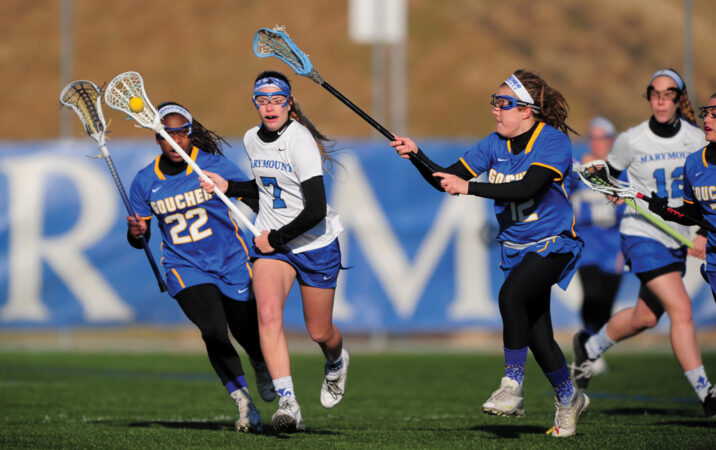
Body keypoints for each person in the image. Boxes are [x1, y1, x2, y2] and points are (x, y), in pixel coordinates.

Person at [390, 70, 588, 437]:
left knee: (511, 295)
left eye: (504, 104)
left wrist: (470, 188)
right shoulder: (493, 144)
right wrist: (417, 156)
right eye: (494, 103)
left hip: (554, 241)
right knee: (538, 337)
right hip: (516, 248)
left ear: (527, 111)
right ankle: (568, 398)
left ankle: (512, 386)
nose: (496, 111)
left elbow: (527, 188)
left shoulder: (553, 142)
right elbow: (446, 179)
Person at [201, 71, 349, 433]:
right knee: (268, 317)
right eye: (261, 99)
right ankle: (289, 403)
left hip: (313, 245)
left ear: (289, 101)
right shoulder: (252, 139)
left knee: (320, 332)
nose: (269, 106)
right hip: (274, 247)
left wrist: (277, 238)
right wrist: (229, 186)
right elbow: (265, 190)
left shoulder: (300, 142)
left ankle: (336, 362)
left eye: (276, 98)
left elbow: (315, 209)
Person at [571, 69, 716, 417]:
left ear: (680, 99)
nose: (661, 100)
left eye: (669, 93)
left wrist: (698, 233)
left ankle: (589, 347)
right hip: (642, 233)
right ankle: (706, 393)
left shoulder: (697, 139)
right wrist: (612, 191)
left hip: (678, 236)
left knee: (646, 317)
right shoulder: (632, 139)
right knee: (680, 308)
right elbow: (611, 177)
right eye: (654, 93)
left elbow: (697, 200)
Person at [126, 102, 274, 433]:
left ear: (191, 135)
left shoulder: (214, 166)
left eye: (182, 132)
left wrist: (272, 229)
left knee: (246, 331)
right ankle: (243, 402)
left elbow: (254, 197)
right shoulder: (145, 181)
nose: (176, 140)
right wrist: (136, 232)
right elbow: (141, 237)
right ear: (157, 139)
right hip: (185, 266)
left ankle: (261, 361)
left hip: (232, 261)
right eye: (168, 134)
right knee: (213, 330)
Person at [569, 117, 625, 375]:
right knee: (591, 294)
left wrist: (626, 247)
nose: (597, 143)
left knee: (606, 300)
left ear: (611, 141)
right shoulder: (577, 168)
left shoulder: (620, 171)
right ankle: (587, 340)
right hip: (587, 242)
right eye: (593, 137)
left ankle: (595, 346)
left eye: (603, 137)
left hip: (613, 244)